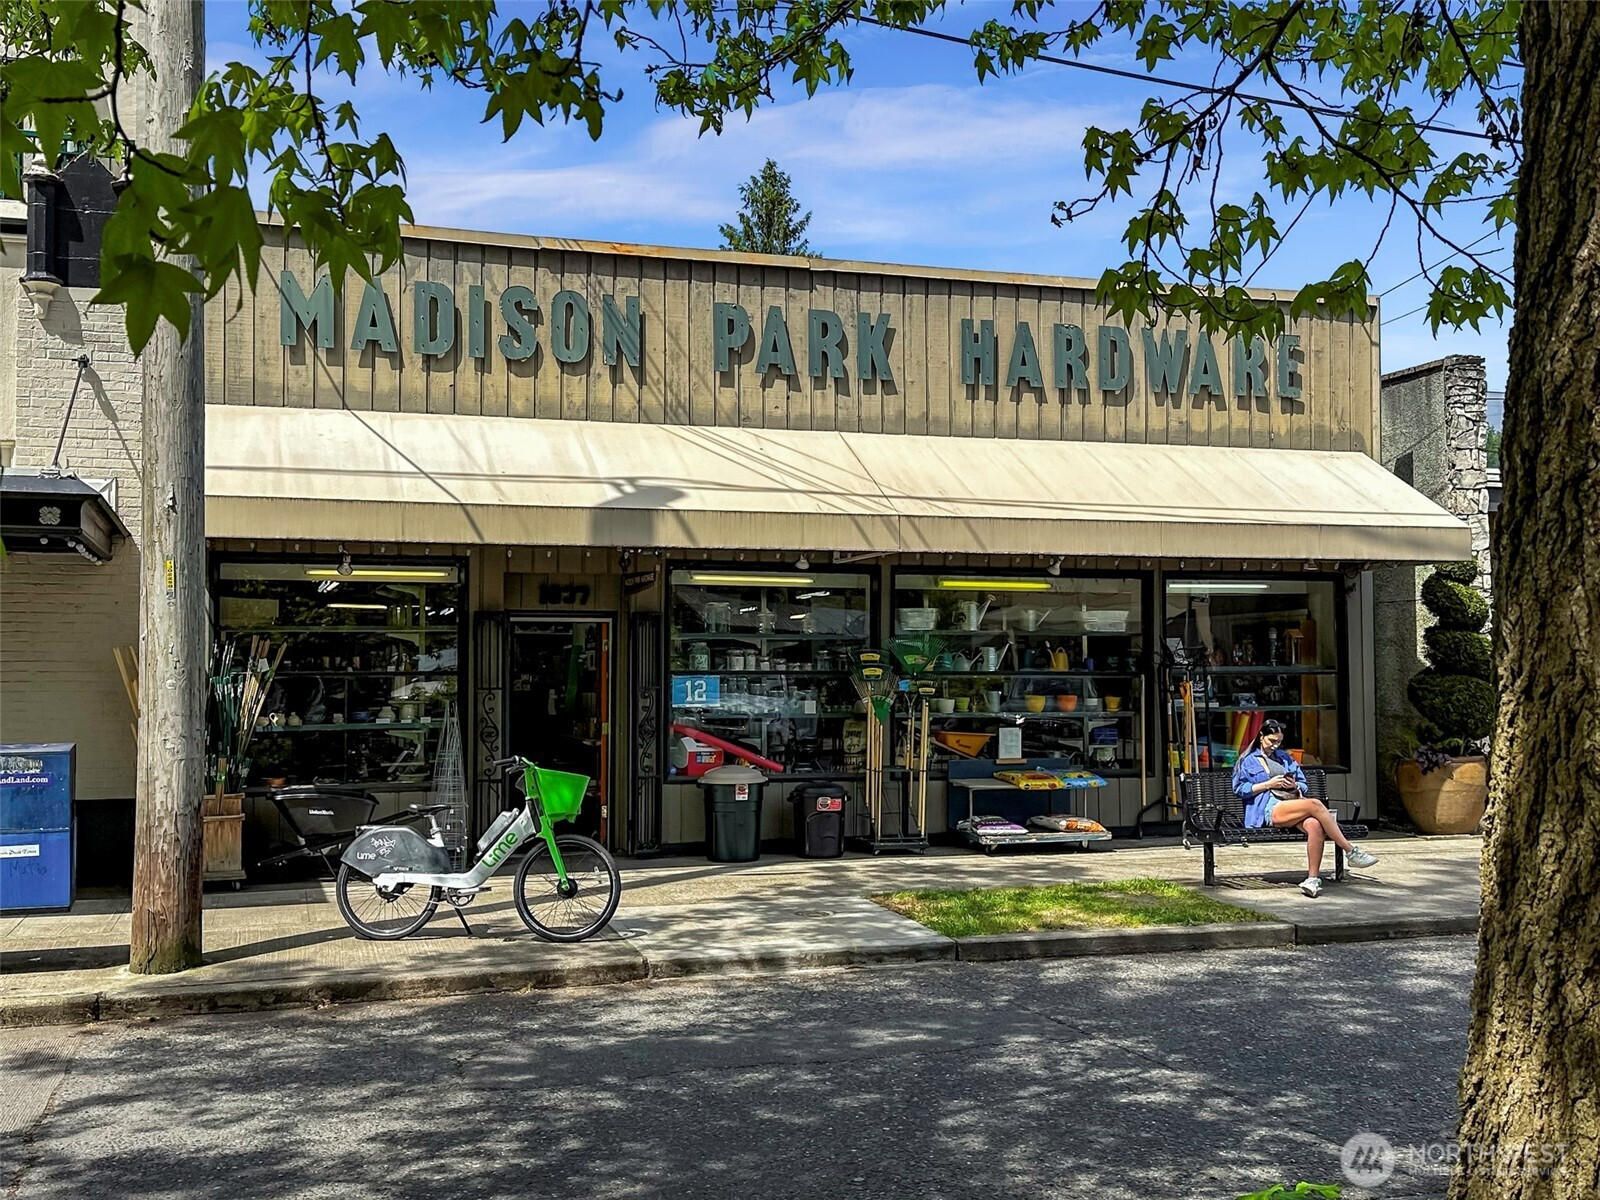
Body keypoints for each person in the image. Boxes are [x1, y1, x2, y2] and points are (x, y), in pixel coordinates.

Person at [1231, 719, 1378, 897]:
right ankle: (1350, 851)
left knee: (1314, 825)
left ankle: (1312, 880)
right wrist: (1268, 784)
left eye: (1279, 742)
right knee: (1314, 804)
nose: (1275, 745)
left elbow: (1303, 784)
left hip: (1292, 803)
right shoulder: (1247, 760)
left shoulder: (1284, 758)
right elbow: (1239, 789)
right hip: (1268, 807)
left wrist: (1294, 786)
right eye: (1272, 741)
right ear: (1261, 736)